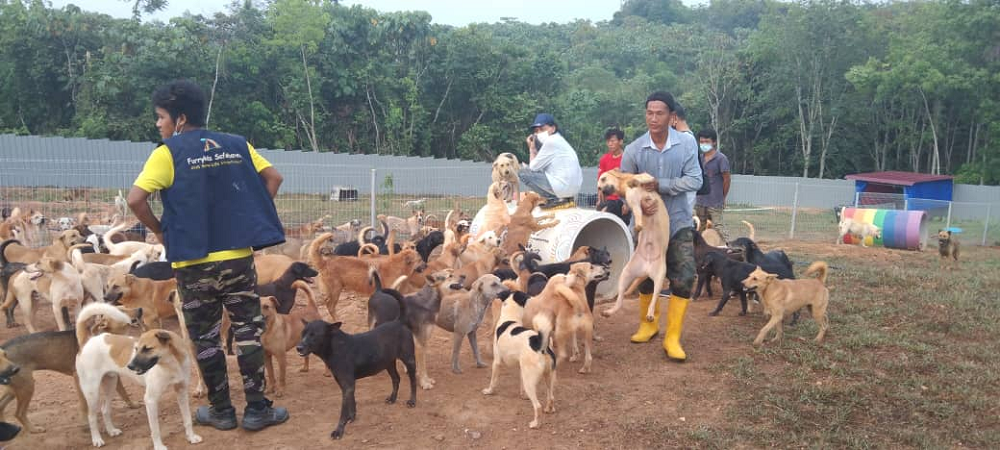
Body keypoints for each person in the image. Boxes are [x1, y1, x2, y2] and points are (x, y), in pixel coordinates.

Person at [127, 80, 289, 431]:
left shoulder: (167, 153)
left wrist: (159, 231)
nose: (158, 124)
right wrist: (249, 216)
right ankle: (258, 409)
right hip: (237, 259)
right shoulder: (236, 145)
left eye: (160, 117)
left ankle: (221, 410)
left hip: (192, 263)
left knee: (206, 338)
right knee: (247, 331)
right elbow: (273, 178)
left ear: (180, 119)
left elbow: (135, 200)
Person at [619, 91, 702, 361]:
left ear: (671, 116)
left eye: (660, 113)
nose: (653, 118)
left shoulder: (687, 145)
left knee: (684, 275)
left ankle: (673, 336)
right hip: (645, 226)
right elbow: (624, 187)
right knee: (644, 273)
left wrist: (662, 186)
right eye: (649, 113)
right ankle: (648, 324)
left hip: (678, 221)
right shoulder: (633, 150)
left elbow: (695, 180)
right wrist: (640, 204)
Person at [519, 113, 583, 209]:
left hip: (562, 188)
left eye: (543, 129)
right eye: (537, 131)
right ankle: (564, 198)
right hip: (573, 189)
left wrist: (531, 150)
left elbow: (533, 168)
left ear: (553, 128)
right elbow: (539, 167)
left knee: (523, 173)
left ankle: (553, 199)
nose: (539, 133)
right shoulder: (560, 140)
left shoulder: (551, 141)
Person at [694, 129, 731, 240]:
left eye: (707, 141)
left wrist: (722, 197)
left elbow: (727, 179)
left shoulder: (721, 159)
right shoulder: (698, 159)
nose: (703, 144)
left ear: (714, 142)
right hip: (700, 201)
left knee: (718, 228)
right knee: (699, 228)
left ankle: (729, 248)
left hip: (715, 201)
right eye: (701, 141)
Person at [597, 127, 631, 223]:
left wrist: (627, 203)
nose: (610, 144)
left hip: (622, 199)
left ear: (620, 142)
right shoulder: (604, 159)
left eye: (612, 141)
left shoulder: (628, 159)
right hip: (608, 200)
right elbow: (600, 181)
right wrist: (599, 199)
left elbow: (630, 183)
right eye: (608, 141)